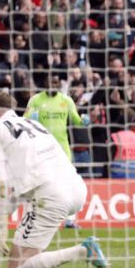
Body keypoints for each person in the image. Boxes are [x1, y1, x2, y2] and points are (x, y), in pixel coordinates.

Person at [0, 91, 109, 268]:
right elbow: (27, 181)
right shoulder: (32, 124)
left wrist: (2, 223)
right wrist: (4, 214)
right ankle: (81, 250)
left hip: (51, 195)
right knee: (22, 258)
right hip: (76, 187)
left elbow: (1, 180)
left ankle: (82, 250)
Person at [25, 76, 89, 228]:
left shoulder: (66, 100)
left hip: (63, 150)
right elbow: (24, 120)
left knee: (68, 184)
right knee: (42, 185)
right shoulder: (35, 100)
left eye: (55, 82)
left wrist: (84, 121)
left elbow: (76, 121)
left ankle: (69, 220)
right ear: (45, 84)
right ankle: (37, 218)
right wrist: (30, 118)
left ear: (59, 84)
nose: (52, 84)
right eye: (49, 82)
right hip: (41, 150)